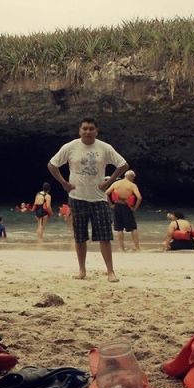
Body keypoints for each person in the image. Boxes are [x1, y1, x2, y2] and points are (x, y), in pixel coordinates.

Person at [48, 117, 128, 281]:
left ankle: (110, 271)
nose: (88, 131)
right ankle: (82, 270)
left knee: (105, 236)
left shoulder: (104, 148)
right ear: (80, 131)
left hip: (99, 199)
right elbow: (52, 164)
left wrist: (110, 181)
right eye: (84, 128)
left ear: (96, 131)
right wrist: (63, 183)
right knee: (80, 237)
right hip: (77, 198)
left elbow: (123, 165)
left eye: (91, 129)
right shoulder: (70, 147)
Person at [106, 169, 142, 251]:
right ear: (131, 177)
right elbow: (139, 198)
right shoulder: (132, 185)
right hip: (127, 206)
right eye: (134, 177)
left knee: (119, 228)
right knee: (133, 227)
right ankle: (137, 247)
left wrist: (111, 205)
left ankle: (122, 248)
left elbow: (106, 194)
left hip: (117, 206)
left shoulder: (116, 183)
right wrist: (135, 208)